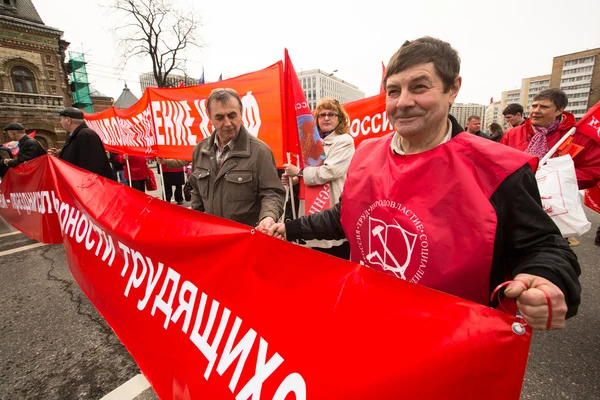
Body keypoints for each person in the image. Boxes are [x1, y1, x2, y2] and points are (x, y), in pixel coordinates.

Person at [268, 36, 581, 331]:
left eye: (419, 87)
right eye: (393, 91)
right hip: (370, 320)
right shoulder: (366, 155)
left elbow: (543, 245)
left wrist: (547, 277)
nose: (403, 102)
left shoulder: (497, 170)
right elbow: (347, 215)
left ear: (452, 89)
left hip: (453, 342)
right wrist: (291, 228)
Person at [189, 88, 284, 230]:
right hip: (210, 236)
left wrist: (268, 216)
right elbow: (196, 192)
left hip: (244, 240)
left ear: (241, 114)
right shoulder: (200, 151)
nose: (227, 123)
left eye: (232, 115)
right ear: (210, 118)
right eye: (219, 117)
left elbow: (272, 192)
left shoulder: (260, 152)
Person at [281, 97, 355, 259]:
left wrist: (299, 172)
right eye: (321, 115)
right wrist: (294, 181)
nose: (326, 118)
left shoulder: (345, 141)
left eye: (331, 114)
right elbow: (309, 175)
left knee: (332, 261)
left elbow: (329, 172)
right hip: (309, 207)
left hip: (329, 210)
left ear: (340, 118)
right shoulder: (312, 143)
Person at [501, 89, 600, 190]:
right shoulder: (512, 134)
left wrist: (554, 178)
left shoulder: (577, 137)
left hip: (556, 198)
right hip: (516, 195)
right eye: (534, 106)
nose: (536, 111)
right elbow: (500, 163)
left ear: (559, 110)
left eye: (544, 107)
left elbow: (592, 170)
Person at [48, 108, 115, 180]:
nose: (60, 122)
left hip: (88, 185)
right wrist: (60, 153)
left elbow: (93, 164)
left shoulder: (85, 135)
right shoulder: (78, 134)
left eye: (61, 119)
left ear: (68, 120)